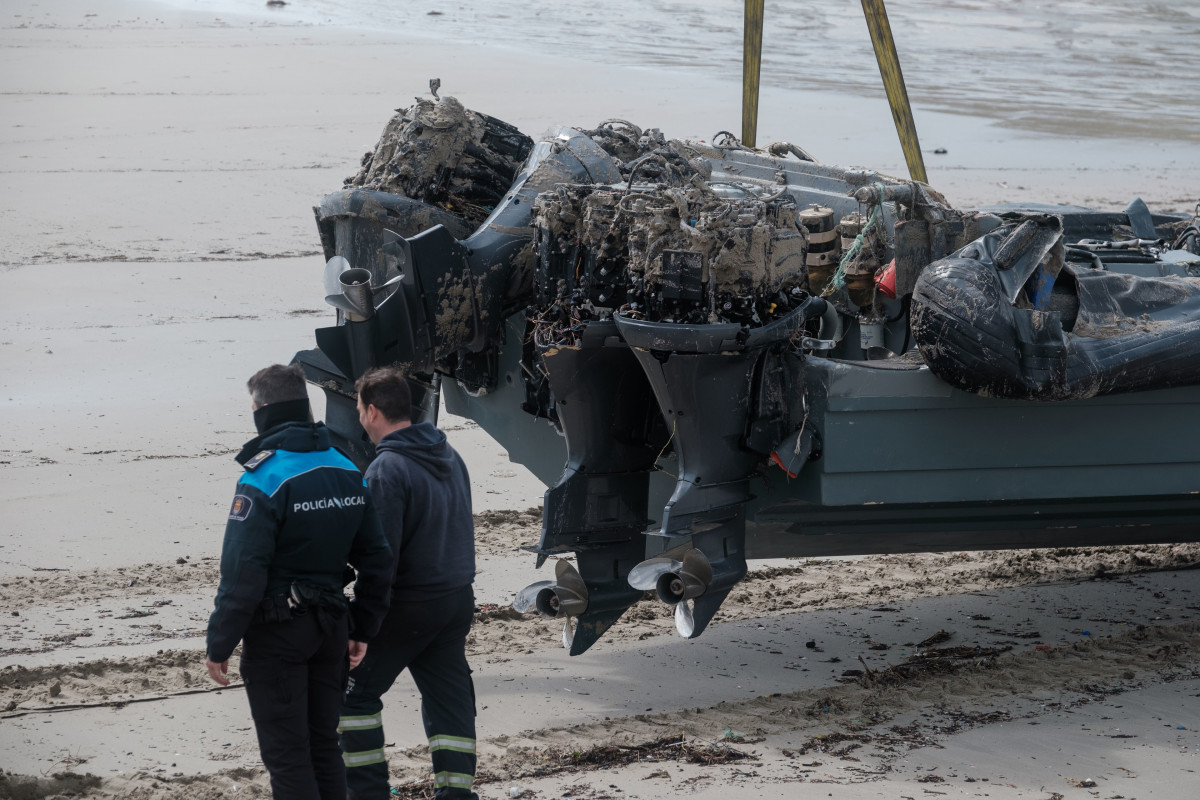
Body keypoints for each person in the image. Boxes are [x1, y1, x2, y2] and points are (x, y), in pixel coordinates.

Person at [206, 363, 393, 800]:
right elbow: (378, 559)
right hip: (331, 628)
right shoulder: (346, 467)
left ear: (261, 410)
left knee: (288, 755)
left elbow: (242, 574)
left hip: (278, 633)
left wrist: (220, 642)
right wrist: (363, 627)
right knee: (324, 746)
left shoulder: (263, 477)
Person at [339, 366, 478, 800]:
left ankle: (367, 793)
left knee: (352, 698)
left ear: (372, 412)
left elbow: (380, 561)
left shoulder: (386, 470)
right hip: (456, 601)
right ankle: (457, 794)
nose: (359, 418)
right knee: (449, 698)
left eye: (359, 409)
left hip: (409, 608)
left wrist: (361, 628)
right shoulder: (449, 455)